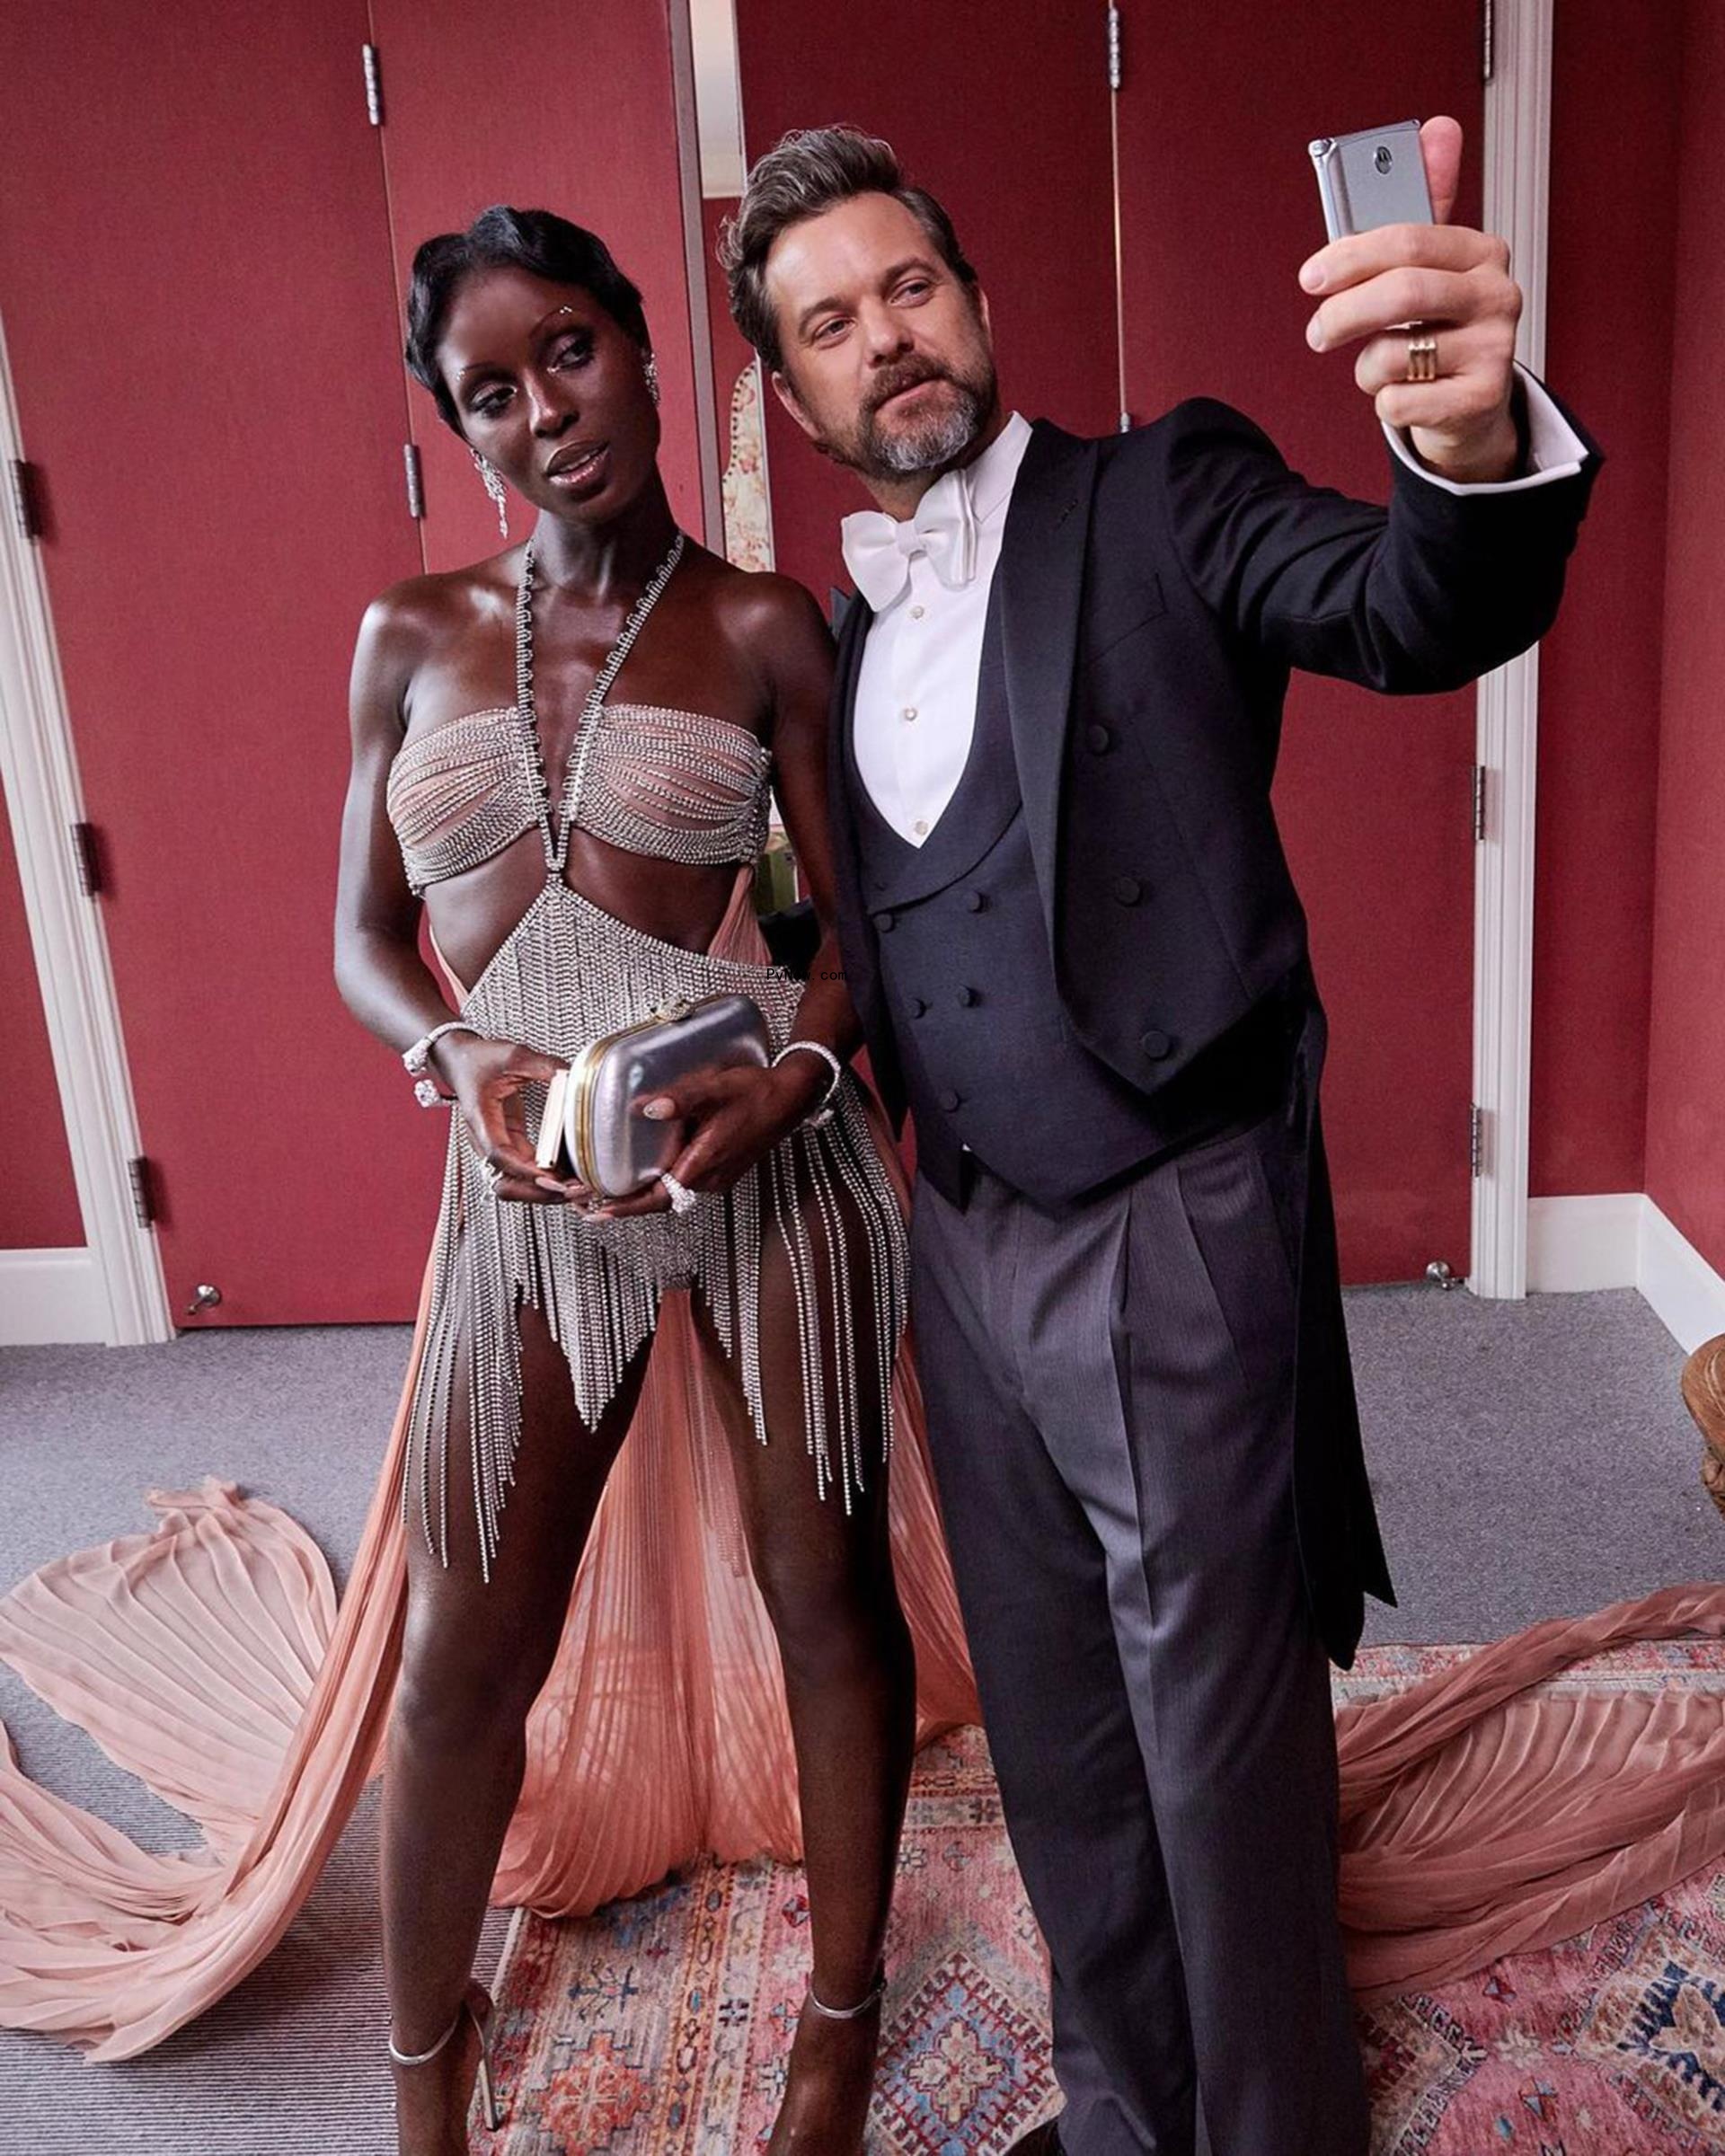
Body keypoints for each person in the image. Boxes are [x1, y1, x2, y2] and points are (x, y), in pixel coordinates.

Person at [719, 120, 1602, 2155]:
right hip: (967, 1230)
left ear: (982, 299)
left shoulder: (1163, 490)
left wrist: (1462, 445)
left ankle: (1276, 2129)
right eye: (832, 322)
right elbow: (854, 930)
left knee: (1214, 1739)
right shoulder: (828, 649)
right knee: (1057, 1729)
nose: (890, 340)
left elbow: (1405, 607)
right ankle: (1124, 2111)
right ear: (796, 395)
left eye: (912, 287)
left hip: (1171, 1211)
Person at [334, 203, 976, 2155]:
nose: (549, 413)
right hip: (525, 1202)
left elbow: (861, 946)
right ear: (465, 428)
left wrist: (785, 1088)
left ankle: (837, 2029)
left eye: (575, 353)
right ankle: (425, 2068)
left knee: (825, 1598)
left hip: (764, 1168)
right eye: (492, 394)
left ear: (645, 338)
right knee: (466, 1654)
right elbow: (362, 939)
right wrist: (463, 1059)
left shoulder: (771, 624)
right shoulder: (408, 636)